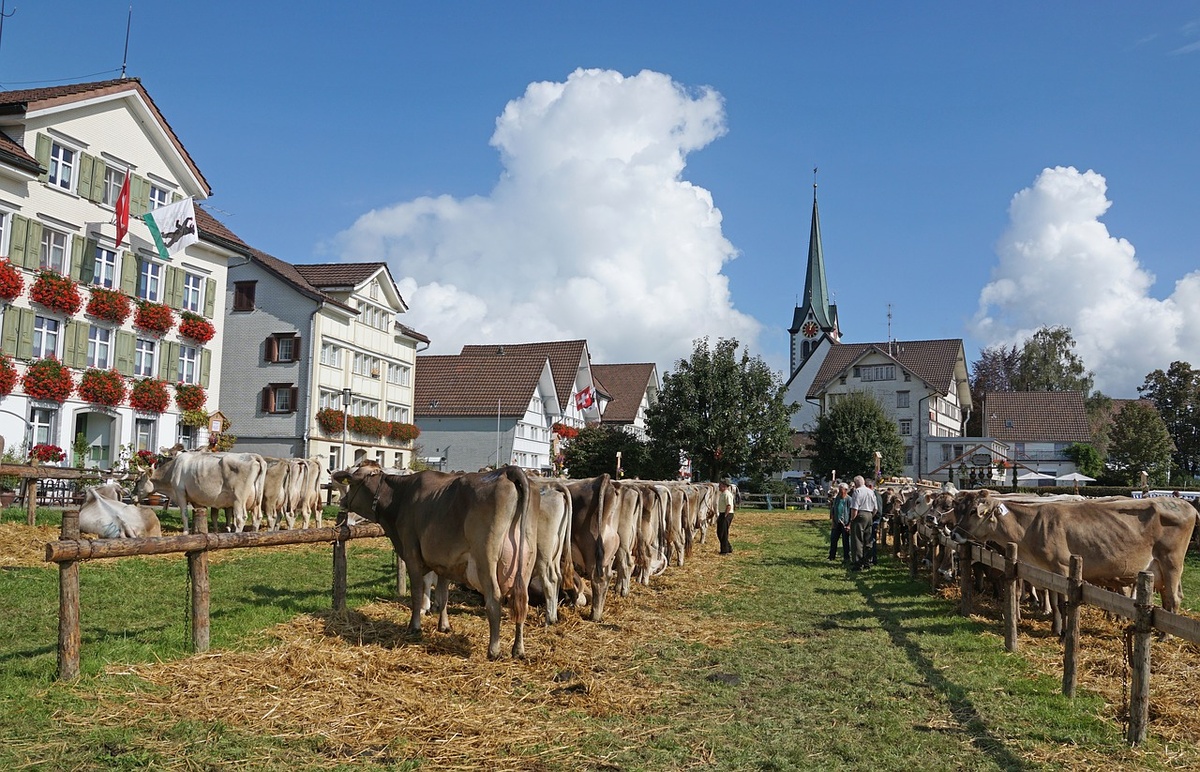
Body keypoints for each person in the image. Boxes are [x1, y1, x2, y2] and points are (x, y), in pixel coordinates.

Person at [849, 475, 878, 571]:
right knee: (868, 540)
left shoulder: (857, 491)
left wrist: (852, 520)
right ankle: (867, 562)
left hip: (860, 515)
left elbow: (854, 508)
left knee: (857, 540)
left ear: (856, 484)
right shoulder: (871, 491)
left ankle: (858, 564)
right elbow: (875, 508)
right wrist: (871, 516)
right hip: (869, 515)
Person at [828, 482, 851, 562]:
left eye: (842, 491)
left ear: (846, 490)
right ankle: (831, 556)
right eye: (840, 491)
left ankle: (846, 557)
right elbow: (833, 510)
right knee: (833, 539)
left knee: (846, 541)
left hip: (845, 523)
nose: (840, 493)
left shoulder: (849, 499)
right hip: (837, 522)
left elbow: (851, 512)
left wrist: (849, 525)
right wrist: (833, 521)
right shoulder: (837, 499)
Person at [716, 479, 736, 554]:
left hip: (726, 514)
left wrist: (725, 516)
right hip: (722, 513)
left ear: (724, 486)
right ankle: (728, 547)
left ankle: (724, 551)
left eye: (720, 485)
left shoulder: (727, 494)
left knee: (723, 533)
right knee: (719, 532)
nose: (719, 486)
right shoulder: (722, 494)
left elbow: (729, 506)